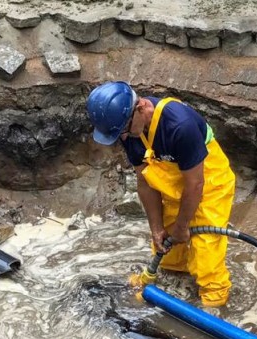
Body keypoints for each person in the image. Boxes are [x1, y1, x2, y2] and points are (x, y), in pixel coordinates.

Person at [86, 81, 236, 307]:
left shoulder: (179, 126)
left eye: (124, 131)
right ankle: (176, 284)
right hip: (174, 186)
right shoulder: (129, 133)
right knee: (169, 251)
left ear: (140, 108)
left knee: (206, 254)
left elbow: (195, 185)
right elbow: (145, 183)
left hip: (208, 184)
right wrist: (157, 228)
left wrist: (182, 226)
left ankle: (215, 306)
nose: (124, 137)